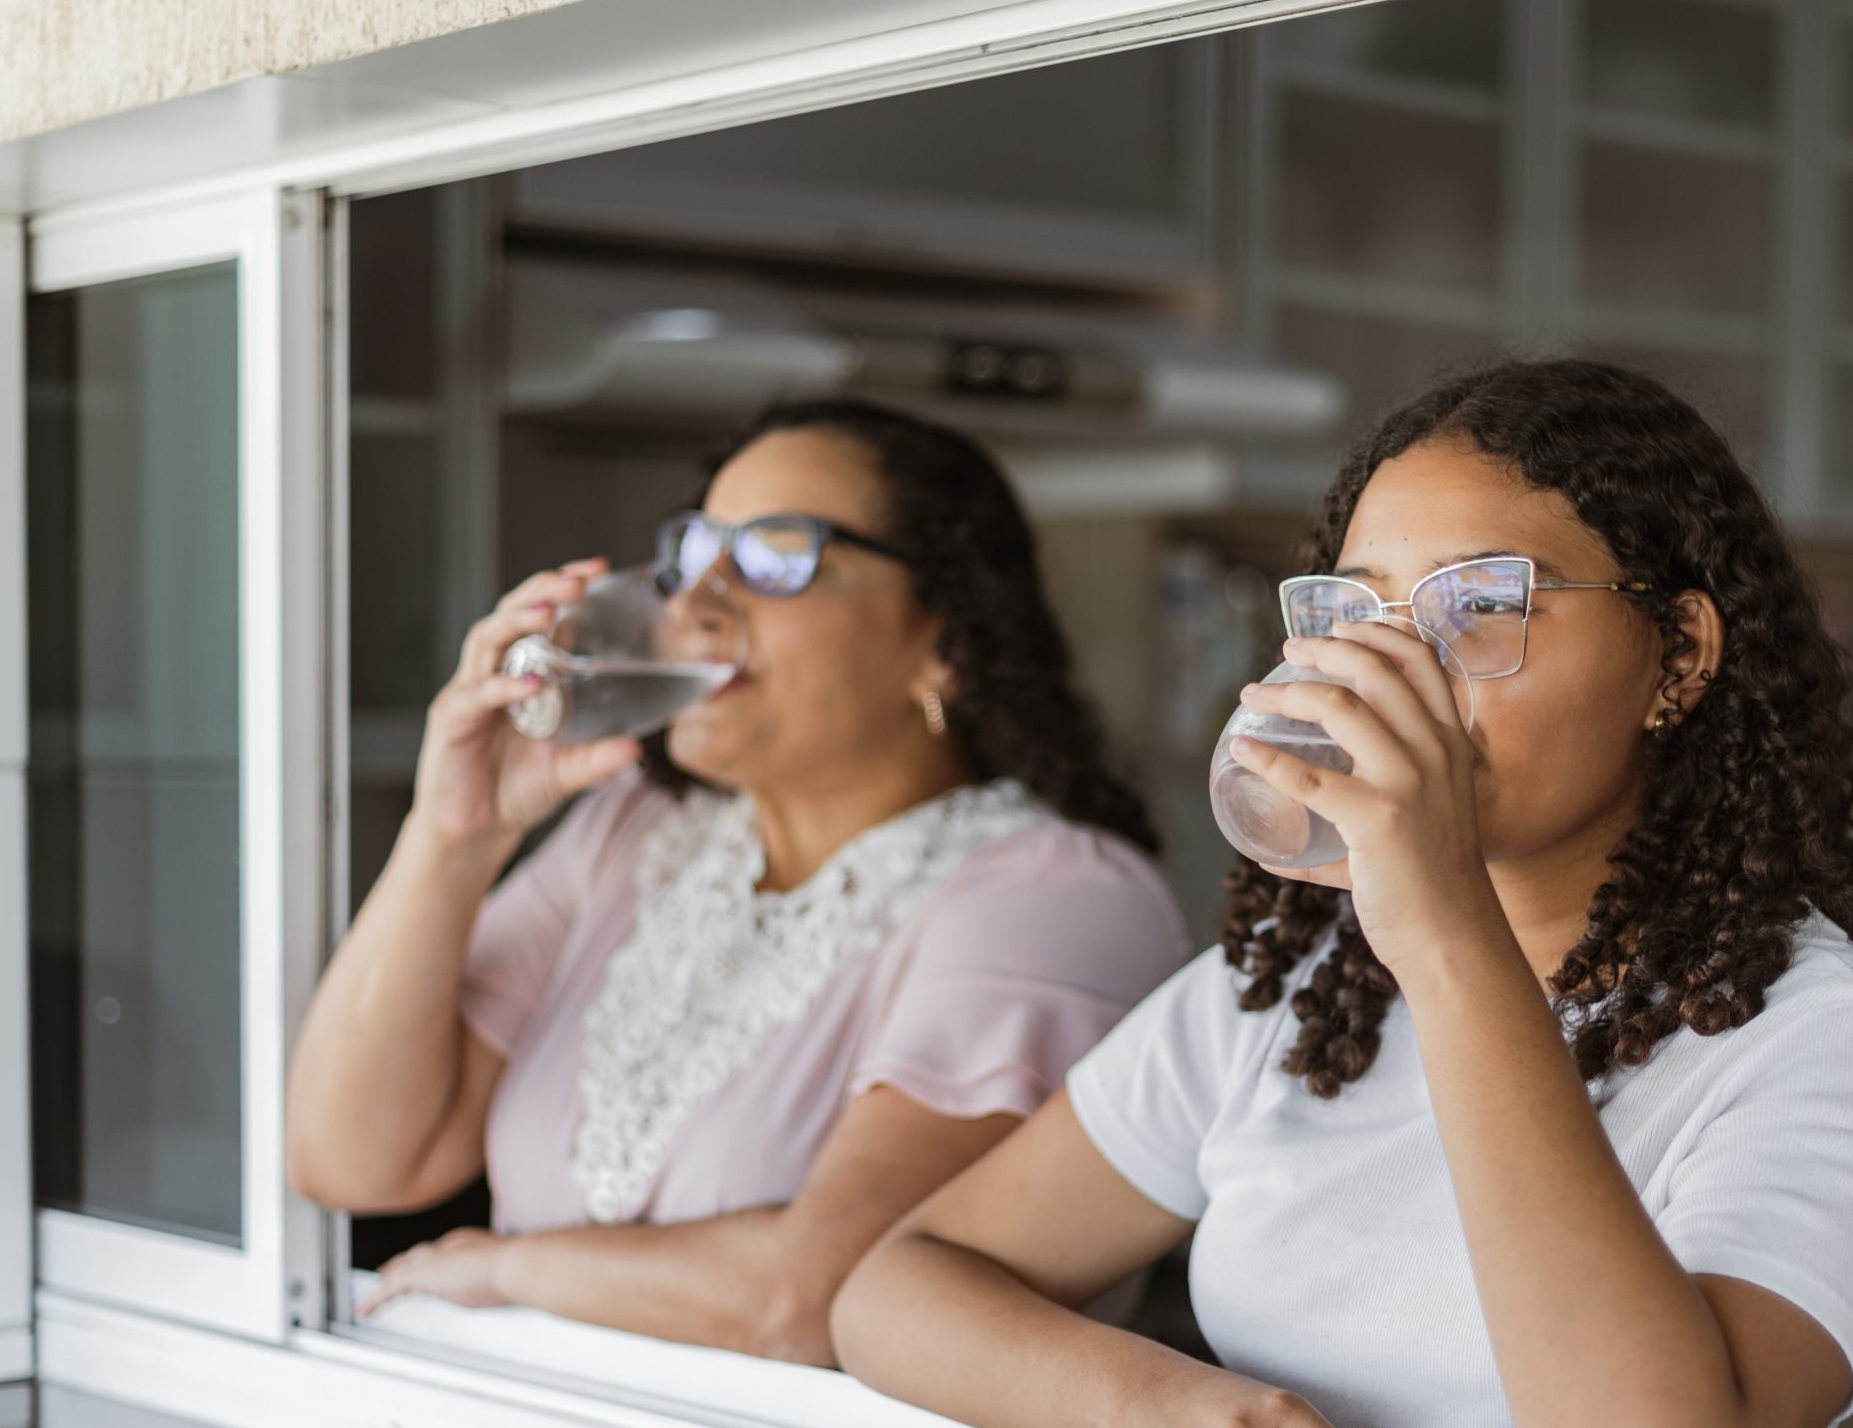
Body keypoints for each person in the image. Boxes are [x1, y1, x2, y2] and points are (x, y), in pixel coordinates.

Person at [830, 358, 1853, 1428]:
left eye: (1477, 606)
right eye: (1361, 613)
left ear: (1677, 653)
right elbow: (893, 1292)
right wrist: (1134, 1398)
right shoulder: (1292, 987)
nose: (1397, 676)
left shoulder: (1830, 1033)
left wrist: (1443, 925)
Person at [287, 399, 1187, 1365]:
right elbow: (354, 1158)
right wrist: (455, 834)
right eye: (696, 554)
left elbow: (816, 1297)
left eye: (774, 557)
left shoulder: (1056, 893)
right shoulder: (631, 831)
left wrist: (511, 1270)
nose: (696, 605)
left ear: (946, 638)